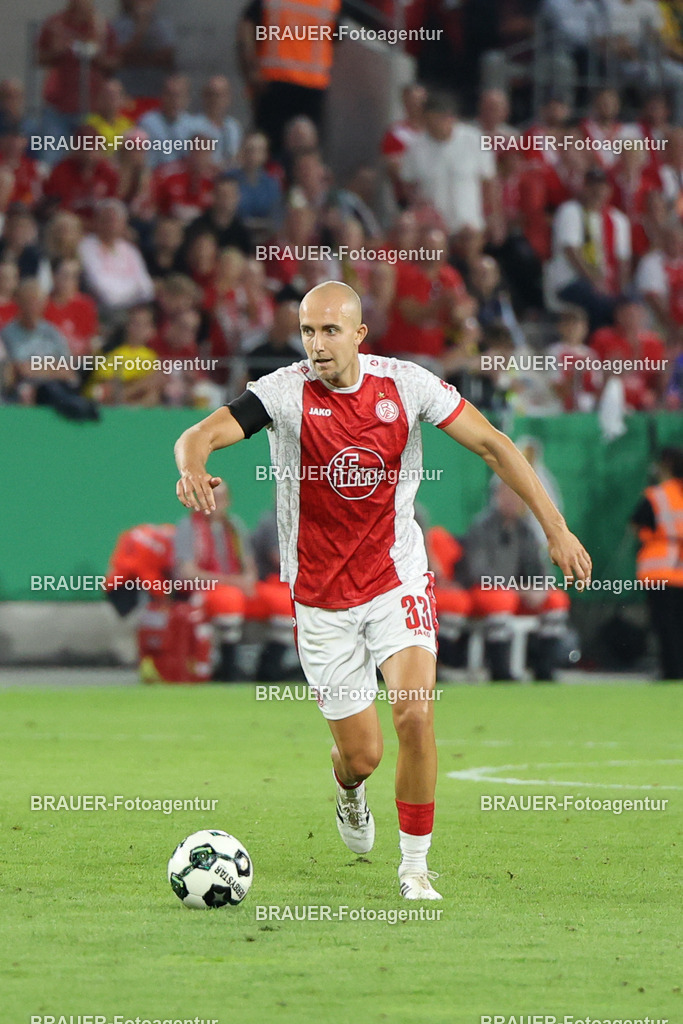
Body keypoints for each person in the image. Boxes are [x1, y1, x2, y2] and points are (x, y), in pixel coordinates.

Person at [173, 280, 591, 900]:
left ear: (359, 335)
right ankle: (348, 792)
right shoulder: (284, 393)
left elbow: (494, 445)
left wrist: (555, 529)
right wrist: (191, 468)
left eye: (330, 331)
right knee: (363, 756)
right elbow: (199, 435)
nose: (317, 344)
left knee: (416, 713)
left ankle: (415, 867)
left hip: (397, 580)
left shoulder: (406, 385)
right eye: (308, 331)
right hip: (319, 599)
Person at [631, 447, 683, 680]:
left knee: (665, 627)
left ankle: (671, 672)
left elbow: (635, 524)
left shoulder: (658, 494)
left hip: (660, 570)